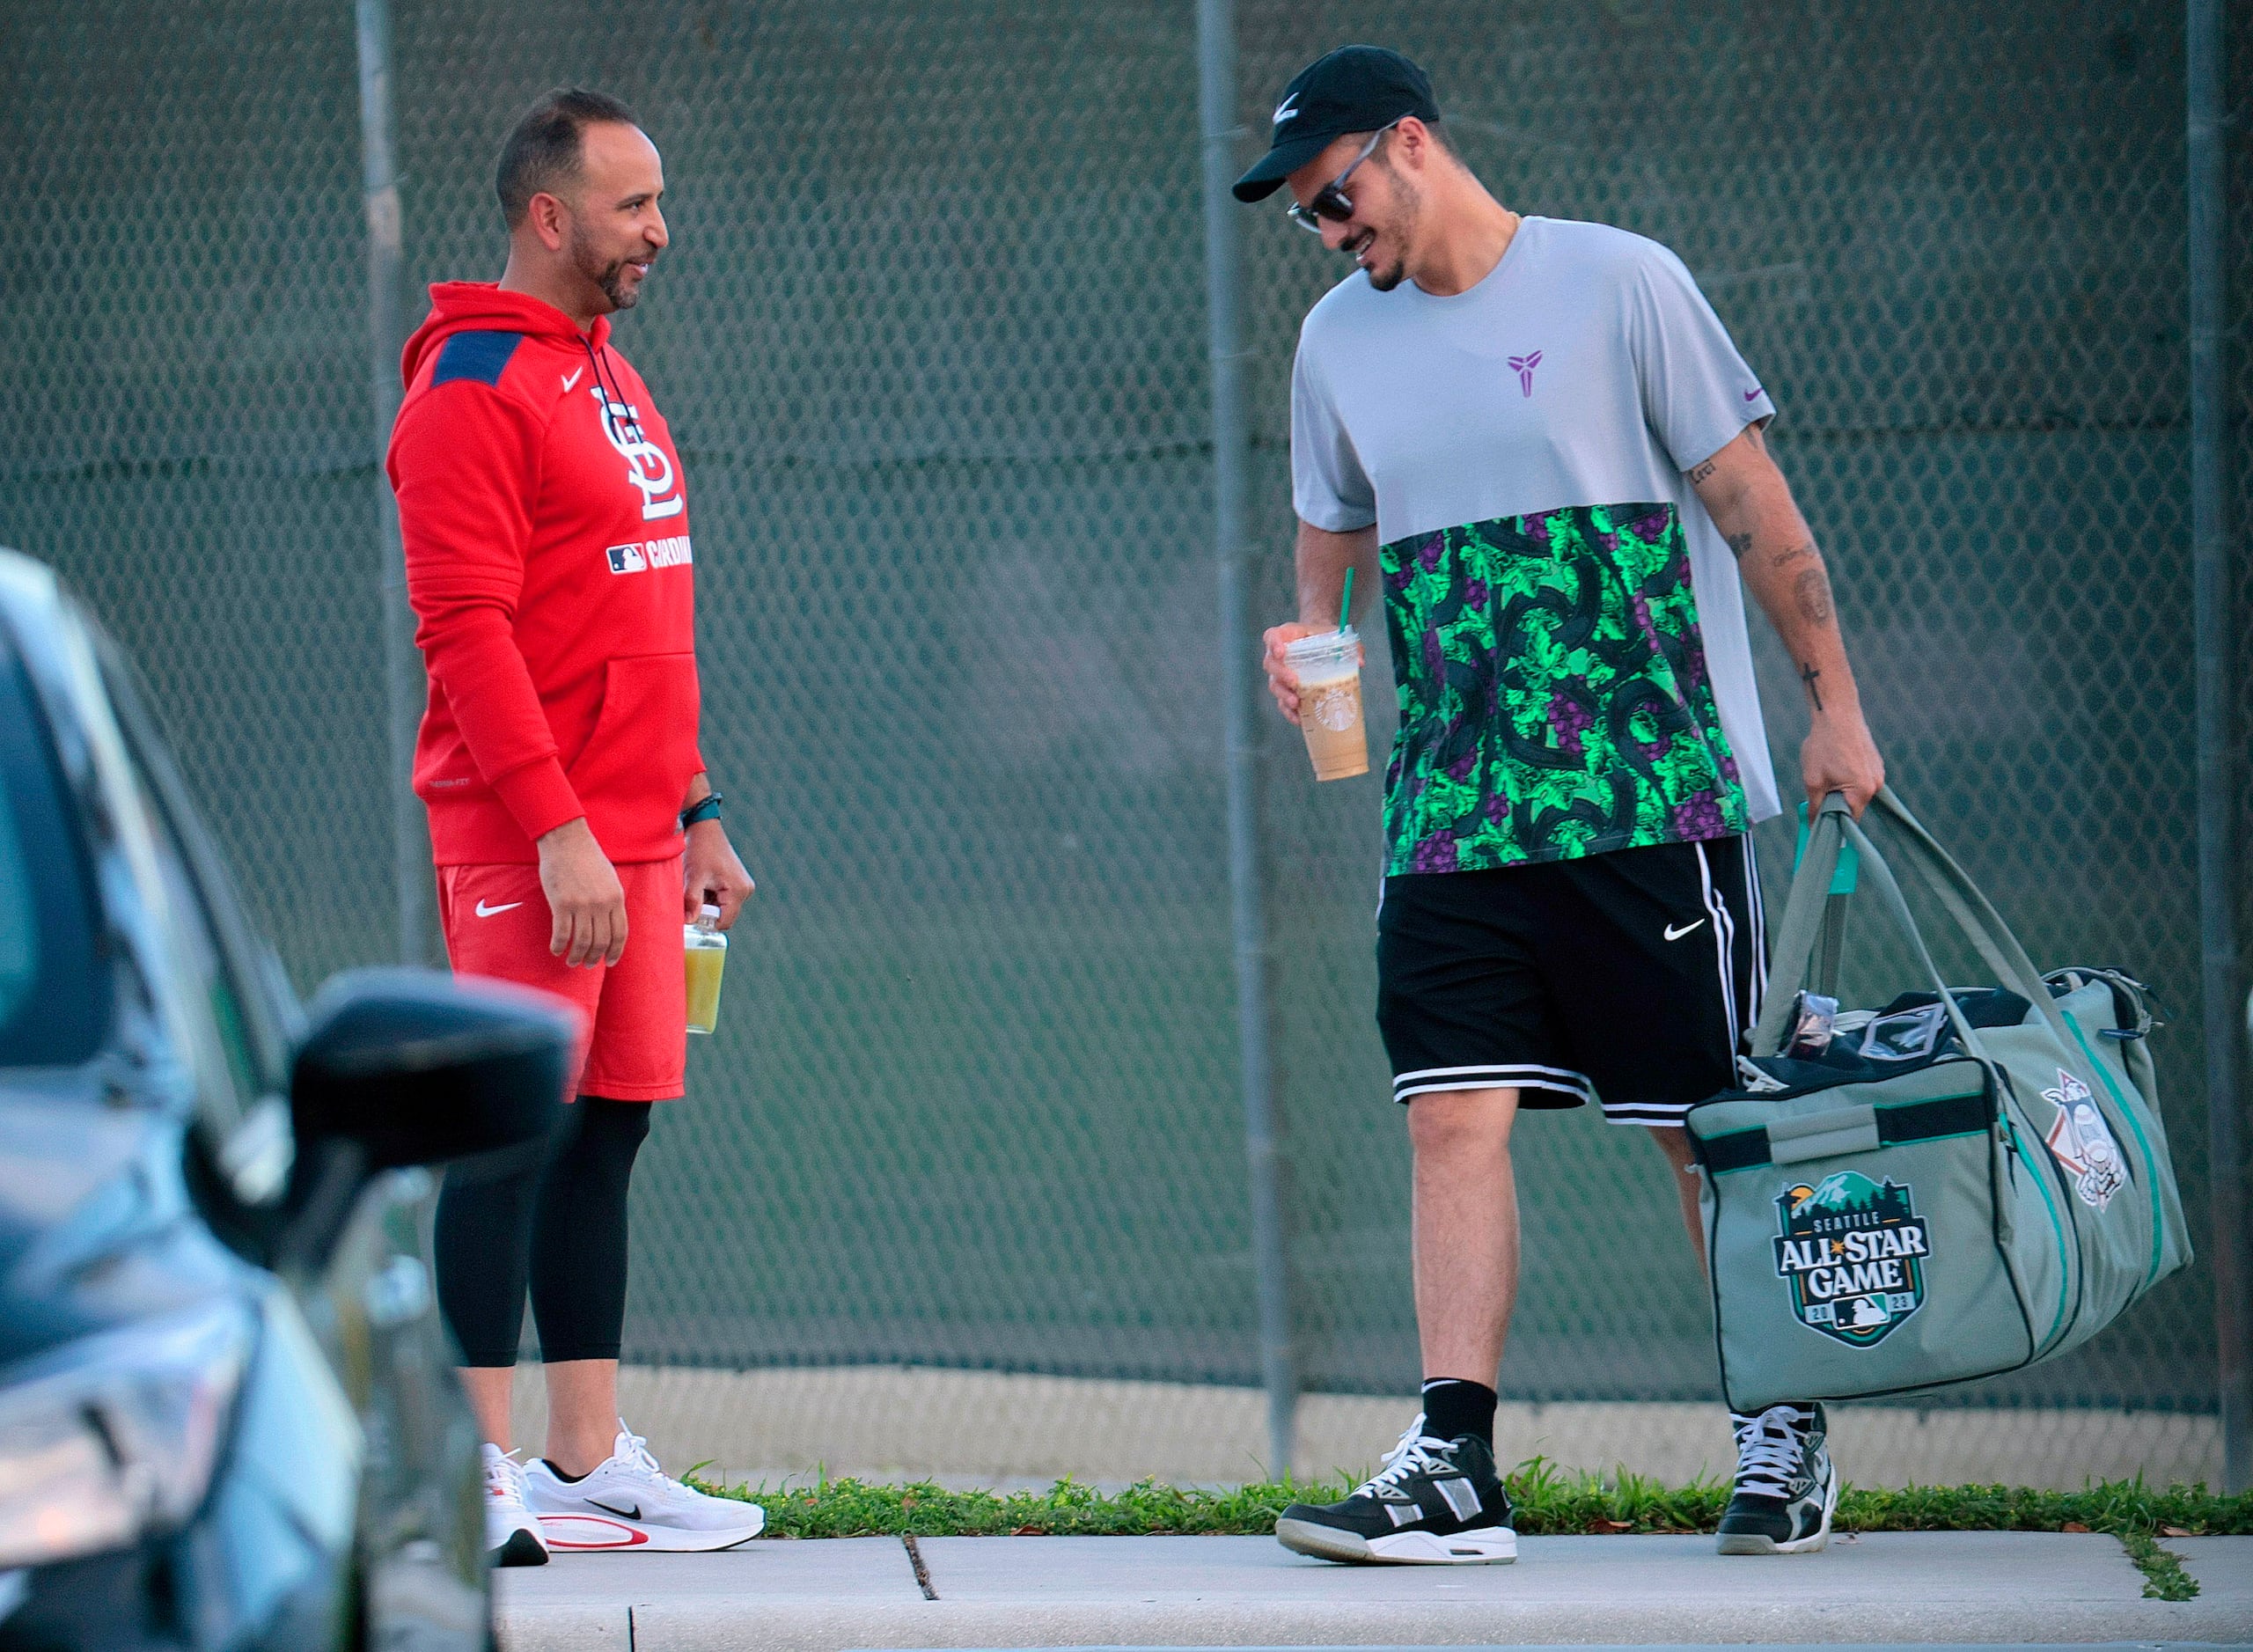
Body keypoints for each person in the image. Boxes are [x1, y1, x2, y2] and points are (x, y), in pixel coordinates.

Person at [1235, 46, 1886, 1563]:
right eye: (1307, 221)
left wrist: (1835, 703)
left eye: (1337, 199)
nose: (1332, 237)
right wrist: (1304, 653)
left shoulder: (1619, 284)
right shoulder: (1338, 341)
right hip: (1454, 812)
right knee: (1447, 1119)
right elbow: (1327, 549)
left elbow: (1756, 508)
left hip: (1651, 791)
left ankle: (1782, 1427)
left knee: (1701, 1125)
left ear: (1410, 145)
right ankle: (1452, 1463)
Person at [388, 87, 763, 1563]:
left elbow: (636, 607)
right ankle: (465, 1472)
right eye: (633, 205)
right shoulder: (474, 381)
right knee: (509, 1142)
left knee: (605, 1136)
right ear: (549, 216)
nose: (659, 230)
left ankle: (587, 1459)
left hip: (640, 840)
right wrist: (554, 829)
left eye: (658, 200)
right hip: (534, 842)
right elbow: (465, 629)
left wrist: (697, 807)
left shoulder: (602, 369)